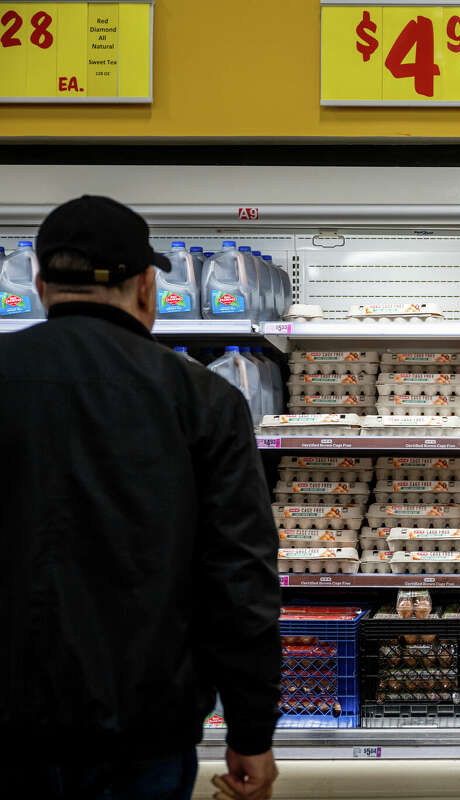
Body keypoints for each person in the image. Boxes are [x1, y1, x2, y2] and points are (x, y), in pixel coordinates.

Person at [0, 196, 281, 800]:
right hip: (140, 727)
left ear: (43, 285)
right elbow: (239, 578)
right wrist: (251, 730)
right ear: (147, 288)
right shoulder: (203, 399)